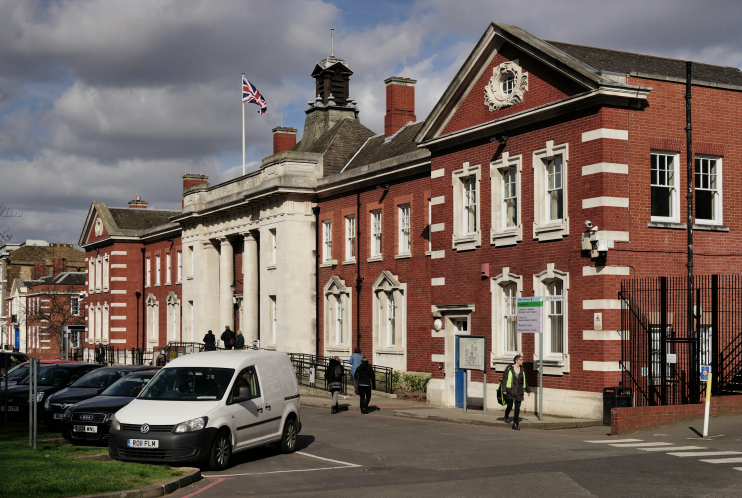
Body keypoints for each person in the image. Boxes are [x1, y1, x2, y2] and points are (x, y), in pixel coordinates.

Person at [502, 354, 531, 430]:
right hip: (510, 391)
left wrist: (528, 390)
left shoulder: (522, 370)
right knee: (510, 406)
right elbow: (504, 380)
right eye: (521, 360)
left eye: (522, 360)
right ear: (516, 360)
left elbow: (525, 381)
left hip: (519, 391)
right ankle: (506, 415)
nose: (522, 361)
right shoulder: (508, 368)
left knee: (517, 408)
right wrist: (504, 390)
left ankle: (515, 423)